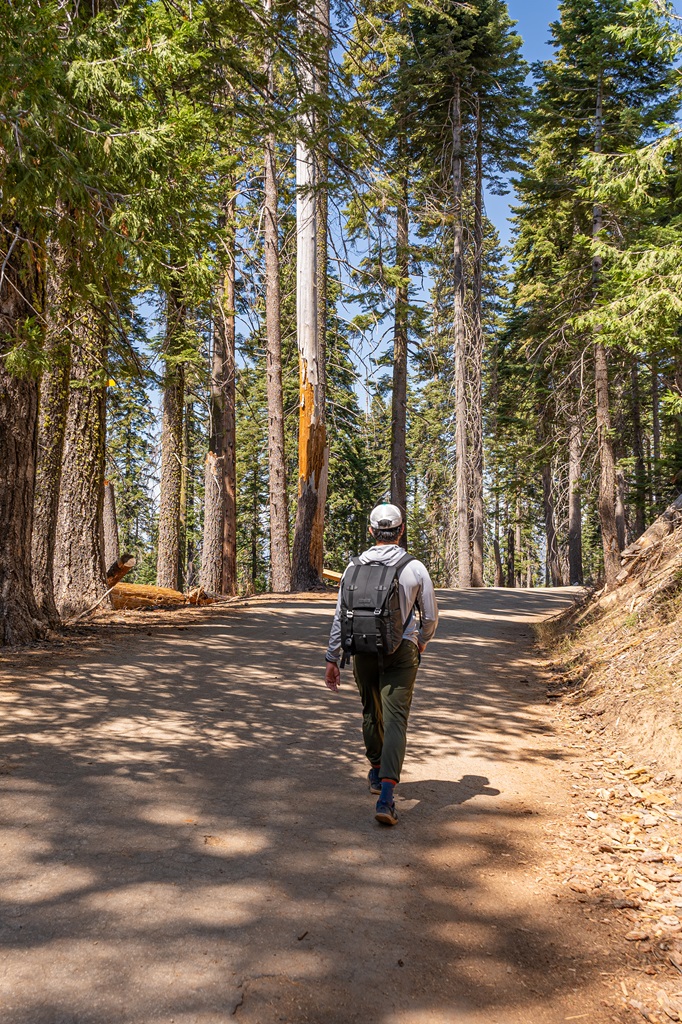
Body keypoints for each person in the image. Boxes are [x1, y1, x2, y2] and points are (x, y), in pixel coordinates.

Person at [324, 502, 438, 825]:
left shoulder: (352, 569)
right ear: (401, 531)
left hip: (361, 651)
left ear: (372, 531)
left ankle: (376, 771)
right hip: (401, 651)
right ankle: (387, 798)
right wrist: (422, 641)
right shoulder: (414, 568)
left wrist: (333, 658)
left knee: (370, 711)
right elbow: (429, 616)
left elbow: (340, 617)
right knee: (396, 719)